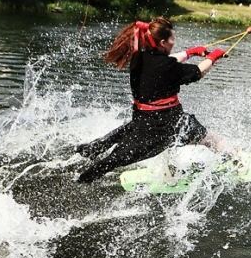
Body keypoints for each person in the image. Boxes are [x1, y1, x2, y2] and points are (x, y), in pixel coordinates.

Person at [76, 17, 233, 183]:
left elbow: (166, 63)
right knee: (208, 139)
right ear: (163, 42)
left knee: (109, 144)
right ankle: (236, 159)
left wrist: (190, 52)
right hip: (169, 126)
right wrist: (214, 56)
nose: (174, 42)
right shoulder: (166, 66)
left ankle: (90, 152)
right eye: (172, 39)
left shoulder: (140, 59)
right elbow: (197, 72)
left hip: (143, 122)